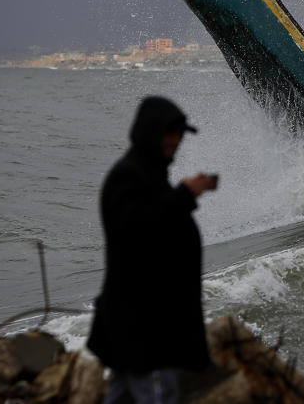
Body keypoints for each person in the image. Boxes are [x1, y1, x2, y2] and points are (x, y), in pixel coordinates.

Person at [87, 96, 219, 404]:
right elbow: (139, 230)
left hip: (144, 322)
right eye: (169, 133)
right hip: (143, 325)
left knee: (123, 396)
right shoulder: (128, 176)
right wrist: (185, 195)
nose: (176, 141)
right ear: (150, 132)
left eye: (179, 134)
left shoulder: (149, 175)